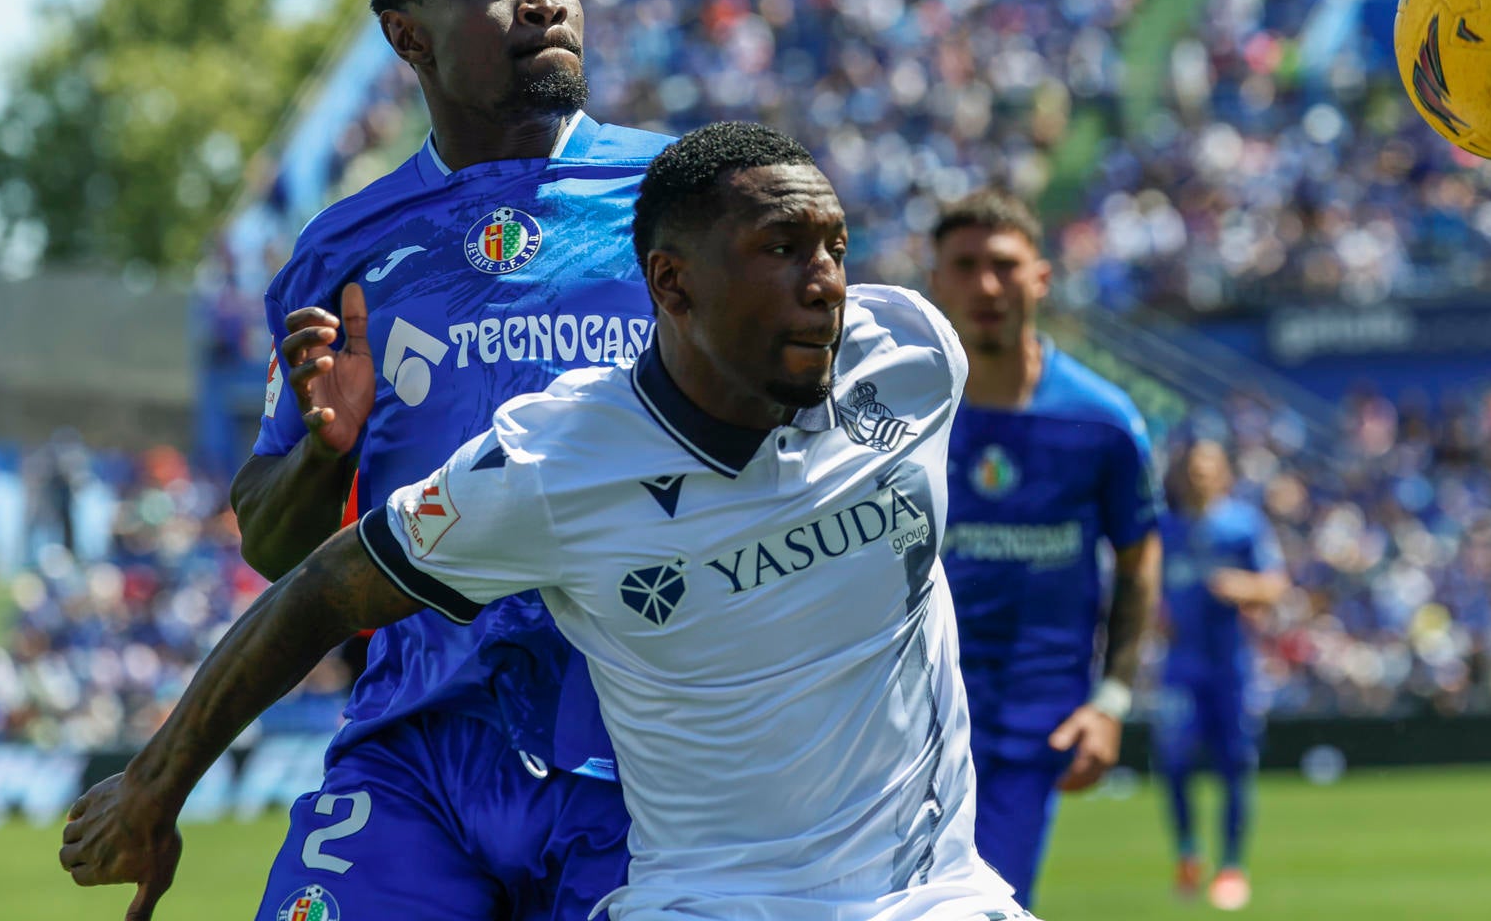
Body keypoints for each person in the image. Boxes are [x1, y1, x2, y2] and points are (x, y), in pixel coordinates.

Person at [62, 122, 1034, 921]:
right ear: (673, 282)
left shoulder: (910, 353)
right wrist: (155, 781)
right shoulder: (554, 461)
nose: (824, 278)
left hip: (935, 893)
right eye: (781, 248)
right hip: (704, 902)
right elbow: (321, 583)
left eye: (833, 244)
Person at [224, 0, 670, 921]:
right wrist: (325, 451)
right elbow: (269, 539)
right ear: (408, 35)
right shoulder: (343, 245)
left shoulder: (685, 200)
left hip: (646, 754)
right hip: (415, 752)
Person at [927, 190, 1160, 907]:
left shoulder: (1103, 422)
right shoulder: (898, 411)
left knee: (986, 902)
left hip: (1036, 715)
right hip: (907, 713)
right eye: (965, 266)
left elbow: (1138, 558)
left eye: (1003, 265)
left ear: (1041, 279)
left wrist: (1113, 700)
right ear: (935, 283)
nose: (986, 286)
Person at [1155, 438, 1287, 911]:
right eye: (1192, 468)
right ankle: (1188, 851)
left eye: (1208, 468)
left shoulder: (1243, 524)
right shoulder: (1166, 528)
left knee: (1236, 764)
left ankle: (1232, 866)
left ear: (1223, 473)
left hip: (1231, 664)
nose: (1199, 476)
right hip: (1181, 664)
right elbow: (1146, 584)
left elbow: (1275, 586)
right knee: (1172, 762)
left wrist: (1241, 586)